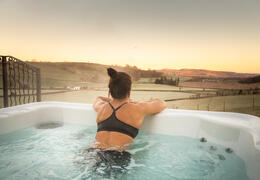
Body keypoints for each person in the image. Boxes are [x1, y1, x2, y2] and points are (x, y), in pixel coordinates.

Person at [84, 67, 166, 177]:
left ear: (110, 90)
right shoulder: (138, 108)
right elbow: (161, 103)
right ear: (129, 90)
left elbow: (97, 99)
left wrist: (111, 100)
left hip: (91, 152)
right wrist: (133, 102)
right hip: (116, 156)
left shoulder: (102, 107)